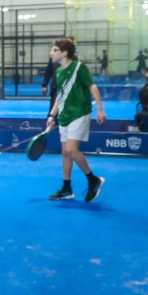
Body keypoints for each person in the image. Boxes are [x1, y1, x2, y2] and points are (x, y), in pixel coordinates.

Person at [45, 37, 107, 203]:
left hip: (80, 113)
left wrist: (100, 109)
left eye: (55, 50)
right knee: (65, 153)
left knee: (72, 150)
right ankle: (67, 189)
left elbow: (92, 86)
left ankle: (93, 180)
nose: (51, 53)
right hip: (65, 115)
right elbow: (60, 95)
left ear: (64, 53)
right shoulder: (58, 72)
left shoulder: (79, 67)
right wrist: (52, 115)